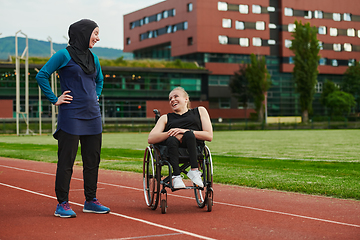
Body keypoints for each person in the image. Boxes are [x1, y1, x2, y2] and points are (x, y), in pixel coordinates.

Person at [36, 19, 110, 218]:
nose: (97, 37)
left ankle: (90, 201)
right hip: (71, 115)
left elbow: (100, 80)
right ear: (84, 33)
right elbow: (42, 75)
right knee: (66, 161)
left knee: (92, 160)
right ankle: (62, 204)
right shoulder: (63, 54)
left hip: (93, 115)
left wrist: (95, 95)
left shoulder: (93, 58)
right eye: (95, 33)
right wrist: (55, 99)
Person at [148, 87, 213, 189]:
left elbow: (209, 136)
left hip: (195, 148)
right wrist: (171, 133)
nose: (172, 100)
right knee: (172, 139)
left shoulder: (200, 111)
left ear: (186, 99)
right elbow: (151, 139)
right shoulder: (165, 118)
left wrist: (184, 131)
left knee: (189, 134)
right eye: (170, 99)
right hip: (172, 147)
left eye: (176, 96)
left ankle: (194, 170)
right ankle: (176, 176)